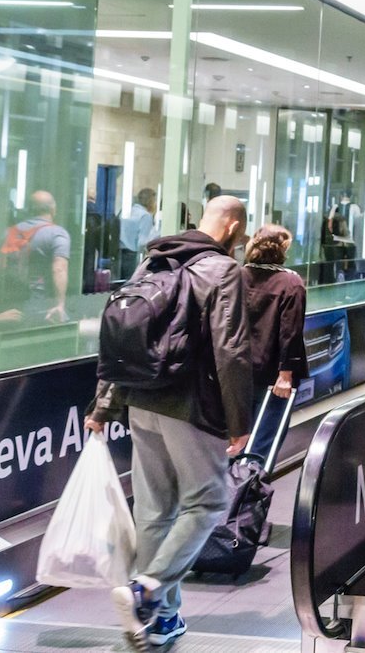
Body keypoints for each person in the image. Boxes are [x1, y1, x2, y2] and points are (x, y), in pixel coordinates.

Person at [87, 195, 253, 649]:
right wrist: (240, 420)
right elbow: (232, 351)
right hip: (191, 405)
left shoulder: (152, 263)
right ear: (234, 227)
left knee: (155, 509)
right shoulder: (224, 271)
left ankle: (163, 618)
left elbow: (122, 339)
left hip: (142, 401)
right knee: (209, 501)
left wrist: (104, 405)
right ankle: (148, 589)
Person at [241, 223, 308, 461]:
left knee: (236, 438)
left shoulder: (236, 277)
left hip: (237, 371)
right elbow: (290, 332)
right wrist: (286, 374)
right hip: (273, 375)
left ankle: (230, 489)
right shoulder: (291, 283)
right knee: (265, 441)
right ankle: (249, 489)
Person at [0, 190, 71, 323]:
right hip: (40, 305)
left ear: (29, 209)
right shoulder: (57, 234)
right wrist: (60, 304)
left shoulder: (9, 232)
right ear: (53, 209)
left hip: (7, 304)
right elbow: (59, 269)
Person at [120, 188, 157, 280]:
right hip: (131, 255)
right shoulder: (145, 216)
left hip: (119, 253)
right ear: (150, 201)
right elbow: (142, 242)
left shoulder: (127, 211)